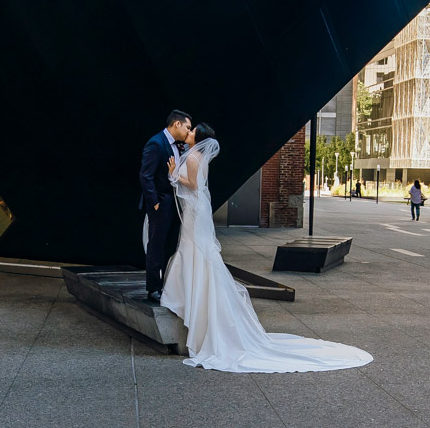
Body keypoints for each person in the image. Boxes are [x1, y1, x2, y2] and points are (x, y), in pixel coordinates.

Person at [159, 123, 372, 372]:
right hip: (196, 214)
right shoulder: (197, 155)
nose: (189, 133)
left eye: (193, 131)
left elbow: (193, 186)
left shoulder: (194, 157)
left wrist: (174, 175)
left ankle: (192, 303)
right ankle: (191, 301)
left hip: (195, 215)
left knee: (194, 253)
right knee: (196, 254)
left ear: (200, 138)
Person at [139, 110, 194, 301]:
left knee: (170, 245)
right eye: (187, 127)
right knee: (156, 246)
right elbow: (146, 176)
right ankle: (153, 288)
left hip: (175, 205)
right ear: (176, 124)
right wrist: (154, 203)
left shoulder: (179, 146)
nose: (189, 131)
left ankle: (166, 285)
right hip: (161, 205)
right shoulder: (156, 143)